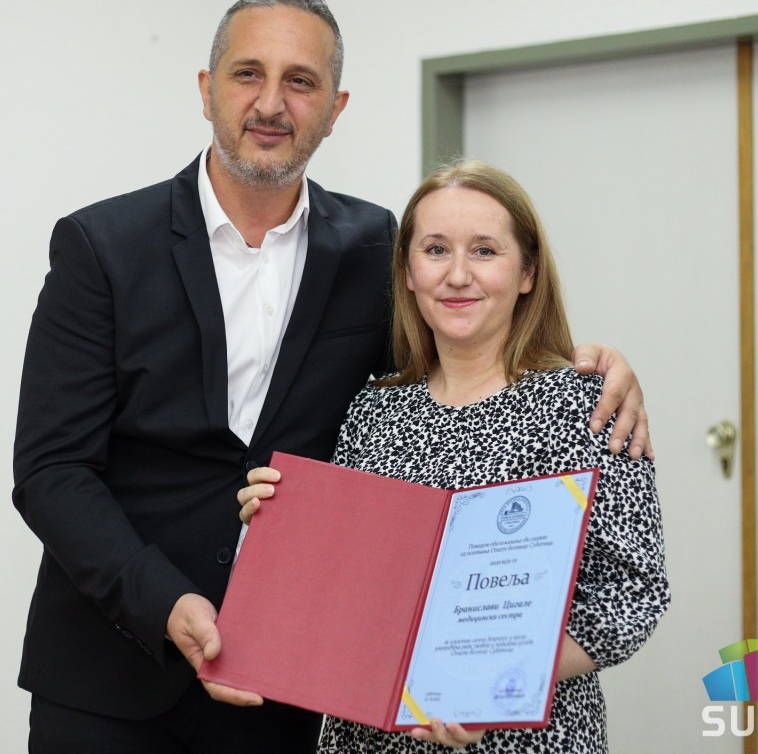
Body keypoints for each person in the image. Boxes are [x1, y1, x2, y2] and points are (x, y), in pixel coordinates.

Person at [13, 0, 651, 754]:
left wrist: (589, 361)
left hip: (293, 686)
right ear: (207, 89)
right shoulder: (102, 246)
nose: (270, 103)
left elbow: (450, 374)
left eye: (301, 81)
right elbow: (52, 470)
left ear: (335, 107)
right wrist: (165, 601)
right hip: (112, 678)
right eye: (248, 74)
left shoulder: (372, 246)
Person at [240, 161, 670, 753]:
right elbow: (344, 589)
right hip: (368, 737)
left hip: (521, 737)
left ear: (528, 272)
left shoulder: (585, 405)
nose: (459, 275)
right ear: (408, 272)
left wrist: (486, 682)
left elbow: (634, 593)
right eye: (436, 249)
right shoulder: (372, 411)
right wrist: (279, 532)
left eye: (485, 251)